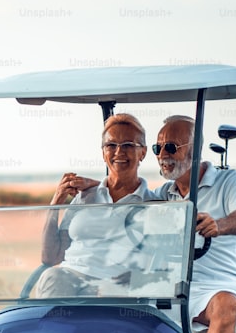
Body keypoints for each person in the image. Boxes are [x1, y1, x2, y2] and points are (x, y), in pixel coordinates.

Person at [151, 115, 236, 333]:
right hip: (171, 287)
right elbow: (127, 208)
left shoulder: (228, 181)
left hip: (217, 286)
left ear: (195, 149)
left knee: (226, 306)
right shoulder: (163, 194)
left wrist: (218, 225)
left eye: (171, 147)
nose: (163, 154)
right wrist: (93, 190)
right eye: (158, 148)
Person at [38, 112, 155, 296]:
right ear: (103, 153)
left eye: (128, 145)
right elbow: (51, 257)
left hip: (118, 286)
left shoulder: (154, 204)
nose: (119, 152)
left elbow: (157, 266)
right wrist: (56, 203)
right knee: (51, 276)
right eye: (111, 145)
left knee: (110, 293)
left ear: (143, 153)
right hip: (71, 278)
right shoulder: (85, 197)